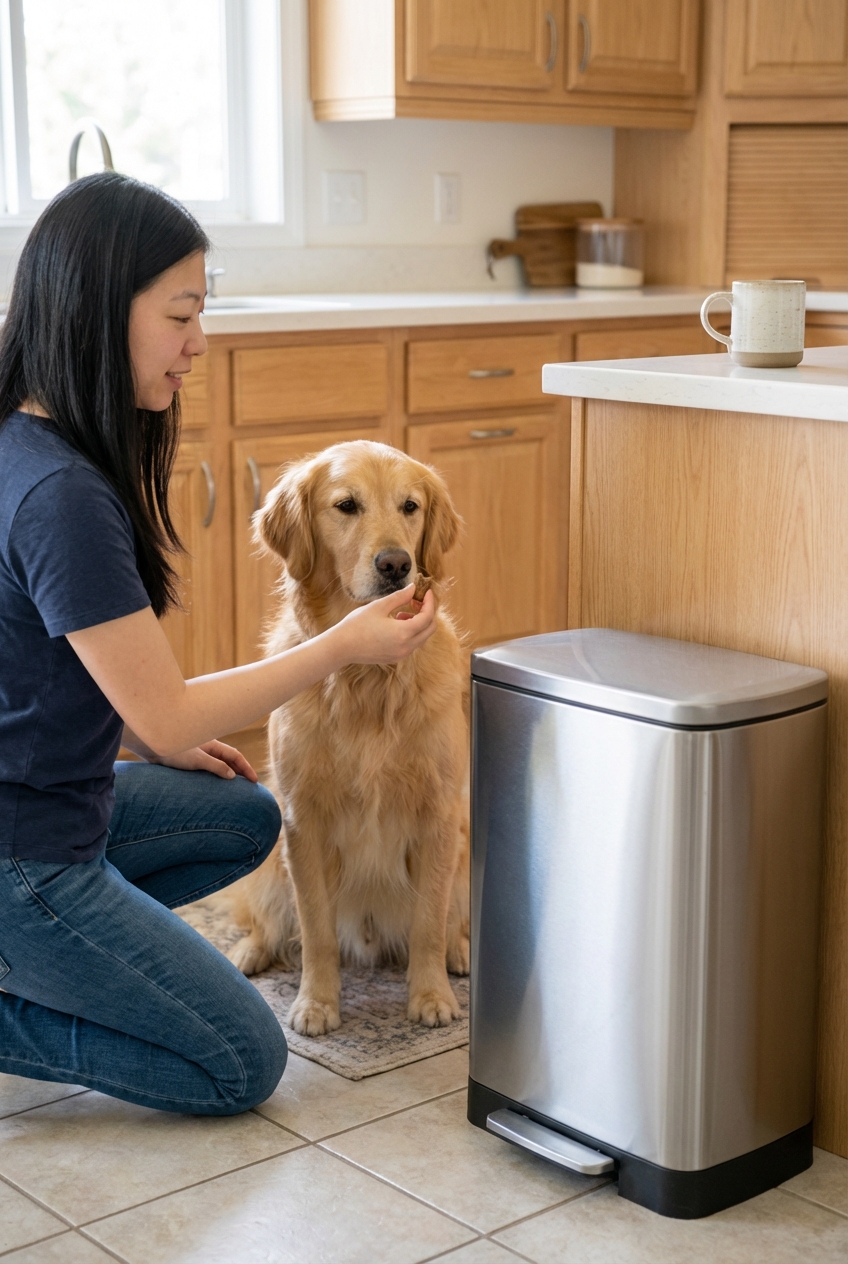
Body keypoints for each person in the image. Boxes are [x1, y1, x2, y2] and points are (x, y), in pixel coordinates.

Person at [0, 172, 436, 1116]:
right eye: (181, 314)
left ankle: (75, 952)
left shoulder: (22, 443)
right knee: (240, 1060)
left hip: (45, 807)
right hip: (22, 856)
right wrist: (343, 646)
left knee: (245, 814)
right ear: (96, 312)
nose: (199, 342)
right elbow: (169, 709)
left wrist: (135, 737)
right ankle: (30, 974)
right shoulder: (63, 497)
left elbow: (37, 684)